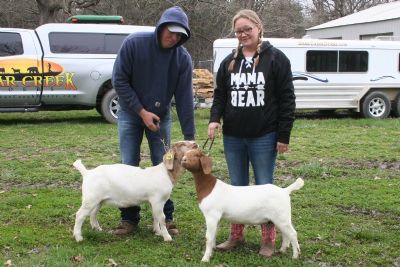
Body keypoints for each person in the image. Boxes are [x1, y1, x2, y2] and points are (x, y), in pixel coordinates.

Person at [207, 9, 296, 258]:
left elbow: (287, 99)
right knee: (236, 188)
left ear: (259, 28)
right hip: (233, 136)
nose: (243, 34)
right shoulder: (228, 62)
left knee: (265, 188)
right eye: (239, 31)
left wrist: (283, 135)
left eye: (247, 29)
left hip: (264, 136)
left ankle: (268, 239)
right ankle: (236, 235)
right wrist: (215, 120)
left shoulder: (276, 59)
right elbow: (220, 96)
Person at [112, 6, 195, 236]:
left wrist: (189, 136)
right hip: (130, 112)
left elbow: (185, 98)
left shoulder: (182, 59)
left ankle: (166, 218)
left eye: (179, 35)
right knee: (129, 164)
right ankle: (129, 219)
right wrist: (141, 111)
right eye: (171, 31)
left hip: (161, 115)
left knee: (166, 164)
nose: (174, 37)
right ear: (161, 26)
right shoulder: (134, 43)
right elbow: (119, 80)